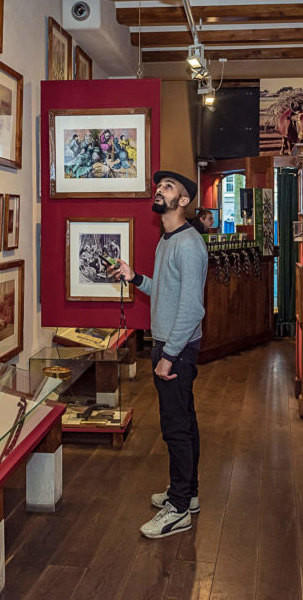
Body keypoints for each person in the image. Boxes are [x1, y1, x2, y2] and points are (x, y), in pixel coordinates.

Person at [109, 170, 208, 539]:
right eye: (159, 186)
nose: (160, 190)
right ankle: (189, 493)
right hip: (170, 345)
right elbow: (167, 293)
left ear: (183, 201)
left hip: (175, 349)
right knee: (184, 421)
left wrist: (169, 354)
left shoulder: (188, 243)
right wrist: (136, 278)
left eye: (168, 187)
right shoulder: (168, 240)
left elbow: (192, 308)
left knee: (175, 428)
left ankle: (179, 508)